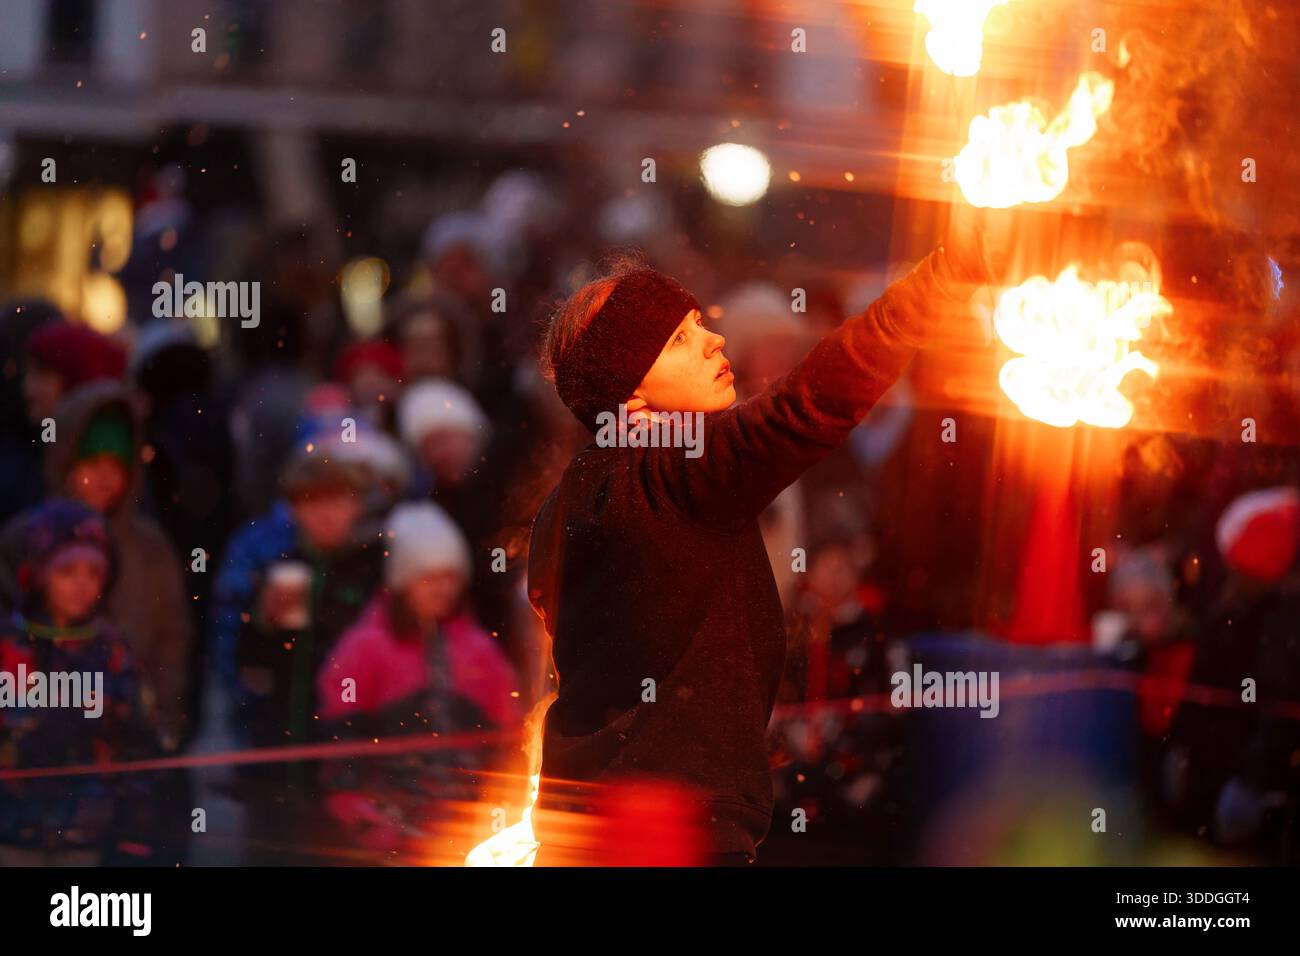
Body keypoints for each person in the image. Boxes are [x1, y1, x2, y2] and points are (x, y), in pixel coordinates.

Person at [527, 223, 998, 865]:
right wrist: (938, 282)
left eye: (698, 322)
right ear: (630, 390)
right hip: (667, 830)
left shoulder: (567, 501)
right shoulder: (671, 466)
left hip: (585, 823)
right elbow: (808, 404)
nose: (713, 339)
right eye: (680, 339)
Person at [314, 502, 522, 854]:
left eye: (450, 577)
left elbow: (509, 745)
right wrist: (364, 821)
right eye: (428, 578)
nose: (442, 589)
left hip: (464, 834)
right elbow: (341, 751)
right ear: (402, 581)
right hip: (384, 836)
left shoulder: (481, 652)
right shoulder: (365, 649)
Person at [0, 380, 195, 751]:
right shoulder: (22, 539)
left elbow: (172, 638)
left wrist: (164, 721)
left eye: (116, 466)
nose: (105, 478)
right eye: (92, 463)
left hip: (123, 743)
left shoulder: (149, 548)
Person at [0, 500, 154, 866]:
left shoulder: (113, 653)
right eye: (67, 571)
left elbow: (136, 737)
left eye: (94, 573)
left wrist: (134, 820)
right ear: (38, 574)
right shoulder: (9, 647)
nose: (82, 584)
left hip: (87, 828)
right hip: (12, 827)